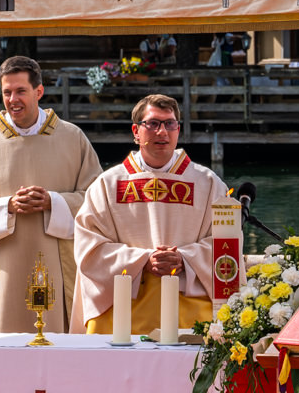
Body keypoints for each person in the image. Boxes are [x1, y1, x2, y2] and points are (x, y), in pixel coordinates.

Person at [0, 57, 101, 334]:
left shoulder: (72, 137)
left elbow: (97, 202)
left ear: (39, 91)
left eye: (20, 91)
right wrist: (4, 207)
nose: (12, 100)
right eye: (7, 92)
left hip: (59, 265)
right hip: (2, 270)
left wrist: (54, 202)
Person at [73, 94, 229, 335]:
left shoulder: (208, 183)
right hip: (124, 307)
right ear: (136, 132)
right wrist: (143, 260)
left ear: (178, 130)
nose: (162, 132)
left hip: (189, 304)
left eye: (170, 124)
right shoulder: (107, 184)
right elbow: (89, 248)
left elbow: (226, 244)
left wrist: (184, 259)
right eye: (153, 124)